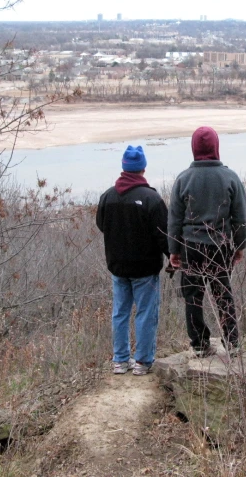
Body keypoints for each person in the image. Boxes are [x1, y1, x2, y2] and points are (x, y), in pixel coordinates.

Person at [168, 126, 246, 357]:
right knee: (223, 293)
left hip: (190, 245)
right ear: (216, 147)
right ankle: (232, 343)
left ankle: (200, 345)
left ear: (194, 148)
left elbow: (174, 219)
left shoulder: (183, 179)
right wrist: (239, 246)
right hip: (220, 245)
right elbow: (240, 219)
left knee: (193, 296)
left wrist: (174, 250)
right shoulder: (230, 177)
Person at [96, 145, 169, 376]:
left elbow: (101, 225)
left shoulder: (107, 196)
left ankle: (120, 360)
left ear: (124, 167)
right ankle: (143, 361)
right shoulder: (151, 198)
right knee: (146, 313)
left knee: (120, 313)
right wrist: (174, 258)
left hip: (118, 266)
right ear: (143, 169)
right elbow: (164, 235)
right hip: (145, 269)